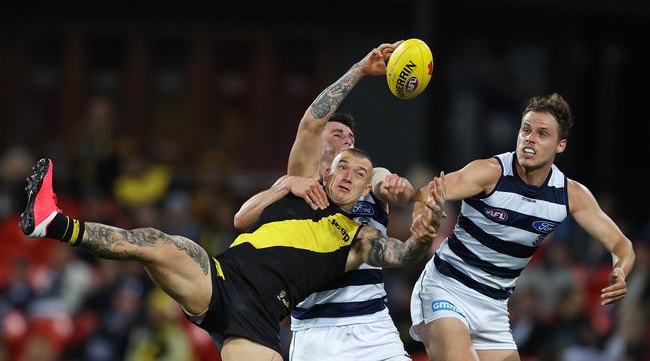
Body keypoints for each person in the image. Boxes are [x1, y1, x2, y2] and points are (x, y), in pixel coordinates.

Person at [19, 147, 445, 361]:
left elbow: (403, 254)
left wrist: (422, 237)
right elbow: (243, 217)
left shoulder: (356, 237)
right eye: (343, 166)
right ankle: (54, 223)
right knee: (155, 243)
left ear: (367, 187)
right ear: (325, 171)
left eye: (361, 173)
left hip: (256, 322)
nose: (350, 175)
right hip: (218, 279)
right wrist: (283, 185)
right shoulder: (294, 189)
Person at [409, 93, 636, 361]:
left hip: (493, 307)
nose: (530, 138)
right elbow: (427, 193)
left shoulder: (569, 195)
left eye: (542, 134)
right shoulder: (489, 173)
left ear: (560, 145)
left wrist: (620, 271)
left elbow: (623, 246)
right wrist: (421, 222)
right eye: (526, 130)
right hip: (446, 287)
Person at [233, 41, 417, 360]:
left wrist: (399, 191)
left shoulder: (366, 179)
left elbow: (387, 184)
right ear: (318, 142)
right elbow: (310, 122)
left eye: (351, 139)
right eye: (336, 135)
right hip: (312, 332)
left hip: (370, 326)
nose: (346, 140)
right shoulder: (300, 184)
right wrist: (361, 69)